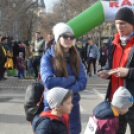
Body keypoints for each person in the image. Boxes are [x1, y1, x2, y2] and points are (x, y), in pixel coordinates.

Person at [40, 22, 87, 134]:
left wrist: (66, 92)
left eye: (71, 37)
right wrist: (71, 79)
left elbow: (83, 82)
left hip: (72, 106)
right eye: (65, 36)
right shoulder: (48, 57)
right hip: (52, 105)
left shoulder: (76, 57)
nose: (69, 39)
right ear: (57, 38)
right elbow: (48, 81)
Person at [98, 7, 134, 134]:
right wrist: (106, 72)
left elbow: (128, 70)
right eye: (117, 23)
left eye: (123, 23)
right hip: (115, 99)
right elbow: (110, 65)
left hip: (131, 100)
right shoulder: (112, 41)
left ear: (132, 24)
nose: (119, 26)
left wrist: (128, 72)